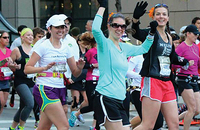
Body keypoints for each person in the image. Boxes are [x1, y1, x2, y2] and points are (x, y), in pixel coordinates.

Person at [92, 0, 155, 129]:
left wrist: (151, 34)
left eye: (122, 26)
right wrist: (103, 6)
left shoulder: (125, 47)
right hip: (106, 96)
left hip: (121, 99)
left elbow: (143, 49)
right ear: (109, 26)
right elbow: (95, 29)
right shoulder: (104, 44)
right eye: (115, 25)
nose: (119, 29)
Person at [131, 2, 192, 130]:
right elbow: (136, 33)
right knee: (148, 125)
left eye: (164, 14)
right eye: (158, 14)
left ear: (168, 18)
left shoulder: (169, 37)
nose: (161, 17)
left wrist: (184, 61)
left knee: (174, 125)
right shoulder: (150, 33)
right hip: (152, 81)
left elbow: (172, 57)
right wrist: (135, 19)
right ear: (153, 17)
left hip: (167, 82)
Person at [24, 14, 85, 130]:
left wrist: (80, 67)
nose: (61, 30)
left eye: (62, 27)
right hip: (45, 88)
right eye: (57, 27)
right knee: (63, 126)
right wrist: (44, 68)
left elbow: (75, 73)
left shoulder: (67, 47)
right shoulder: (43, 46)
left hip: (60, 88)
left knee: (44, 127)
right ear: (49, 29)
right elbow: (27, 69)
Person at [68, 32, 100, 130]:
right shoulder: (90, 52)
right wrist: (92, 66)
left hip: (101, 80)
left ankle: (95, 127)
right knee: (92, 105)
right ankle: (76, 113)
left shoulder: (103, 51)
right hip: (91, 80)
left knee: (99, 105)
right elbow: (82, 64)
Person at [9, 28, 35, 130]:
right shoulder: (17, 50)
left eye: (31, 35)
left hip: (31, 80)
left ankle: (12, 128)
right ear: (22, 37)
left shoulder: (34, 49)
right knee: (30, 104)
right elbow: (8, 65)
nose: (30, 37)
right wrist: (13, 66)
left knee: (23, 107)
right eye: (27, 35)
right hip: (20, 81)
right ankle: (21, 127)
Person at [175, 24, 200, 130]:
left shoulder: (195, 47)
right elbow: (173, 63)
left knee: (197, 110)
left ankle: (174, 119)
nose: (196, 36)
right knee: (192, 108)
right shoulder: (181, 47)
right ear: (188, 34)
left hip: (194, 78)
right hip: (183, 78)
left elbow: (198, 64)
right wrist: (185, 63)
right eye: (195, 34)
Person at [0, 30, 13, 114]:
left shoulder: (9, 51)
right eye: (5, 37)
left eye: (8, 37)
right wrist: (3, 61)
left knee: (3, 104)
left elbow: (11, 65)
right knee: (0, 102)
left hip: (6, 79)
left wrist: (14, 66)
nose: (7, 39)